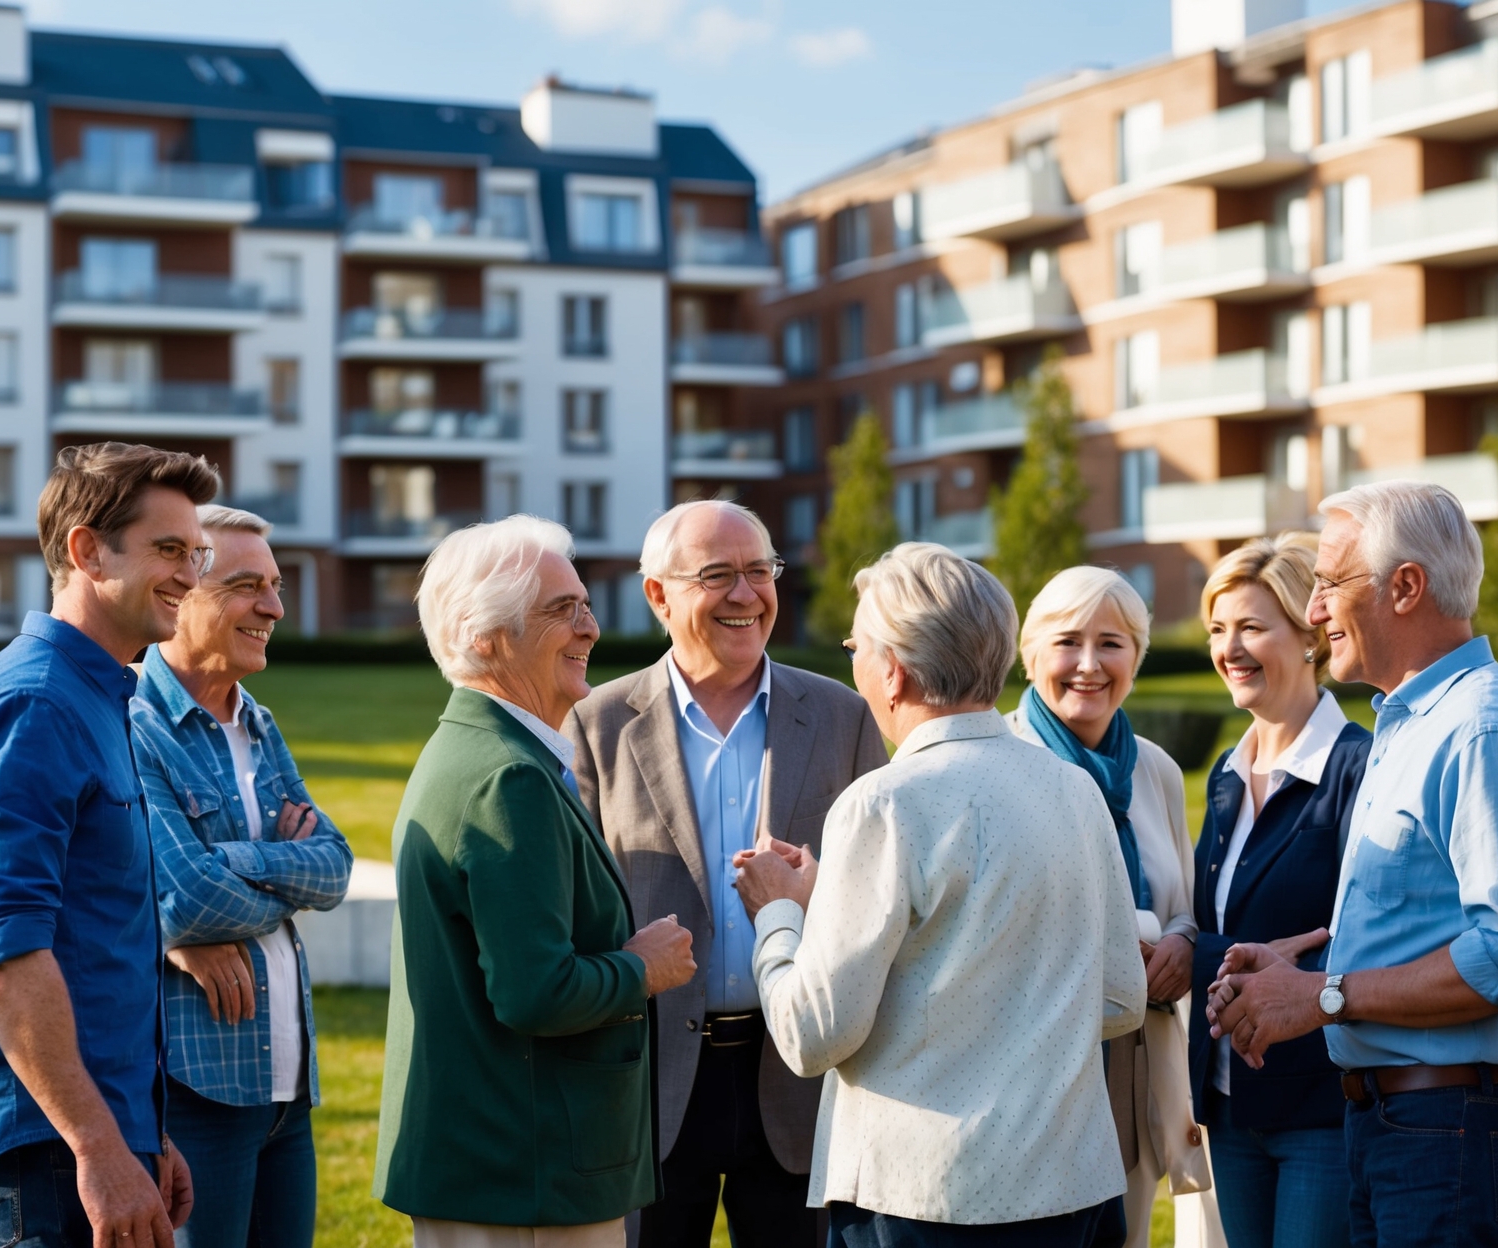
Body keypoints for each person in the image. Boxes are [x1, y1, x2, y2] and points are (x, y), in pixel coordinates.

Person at [732, 542, 1146, 1244]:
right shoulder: (1074, 789)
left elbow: (811, 1036)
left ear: (892, 670)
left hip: (925, 1193)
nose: (854, 663)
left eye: (855, 646)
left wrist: (778, 913)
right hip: (1072, 1185)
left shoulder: (884, 803)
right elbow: (1120, 996)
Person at [1207, 480, 1498, 1248]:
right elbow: (1429, 926)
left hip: (1449, 1127)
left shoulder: (1480, 728)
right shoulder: (1413, 723)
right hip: (1407, 1123)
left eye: (1329, 584)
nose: (1314, 611)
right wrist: (1305, 970)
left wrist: (1325, 995)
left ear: (1405, 587)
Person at [566, 500, 888, 1248]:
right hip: (650, 1082)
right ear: (658, 595)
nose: (746, 594)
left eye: (760, 571)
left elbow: (881, 889)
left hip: (800, 1072)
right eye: (717, 575)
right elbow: (578, 909)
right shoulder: (596, 724)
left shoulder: (844, 717)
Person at [374, 515, 697, 1248]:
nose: (590, 629)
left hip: (506, 1167)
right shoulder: (509, 778)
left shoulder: (482, 751)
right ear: (485, 636)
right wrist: (642, 969)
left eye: (585, 605)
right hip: (523, 1175)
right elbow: (535, 992)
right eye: (562, 609)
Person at [0, 442, 217, 1248]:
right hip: (49, 1149)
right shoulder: (37, 705)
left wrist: (141, 1131)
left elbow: (93, 939)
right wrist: (97, 1147)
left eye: (196, 554)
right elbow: (8, 956)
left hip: (91, 1130)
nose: (190, 576)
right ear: (88, 551)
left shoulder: (93, 694)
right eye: (169, 549)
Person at [132, 504, 355, 1248]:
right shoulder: (135, 721)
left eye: (276, 586)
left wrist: (231, 860)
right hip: (197, 1093)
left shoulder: (257, 719)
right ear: (183, 591)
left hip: (288, 1093)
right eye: (246, 586)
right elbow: (185, 898)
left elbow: (335, 868)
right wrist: (271, 876)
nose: (274, 608)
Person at [1007, 565, 1212, 1246]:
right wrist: (1133, 939)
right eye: (1068, 642)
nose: (1089, 665)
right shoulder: (1001, 760)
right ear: (1029, 654)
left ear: (1137, 657)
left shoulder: (1155, 768)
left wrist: (1181, 942)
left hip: (1137, 1060)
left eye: (1112, 643)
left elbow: (1183, 902)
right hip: (1031, 1067)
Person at [1193, 537, 1371, 1248]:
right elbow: (1221, 923)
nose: (1229, 649)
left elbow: (1368, 934)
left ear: (1308, 637)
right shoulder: (1225, 773)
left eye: (1250, 627)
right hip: (1230, 1105)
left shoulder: (1359, 766)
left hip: (1320, 1104)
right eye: (1217, 629)